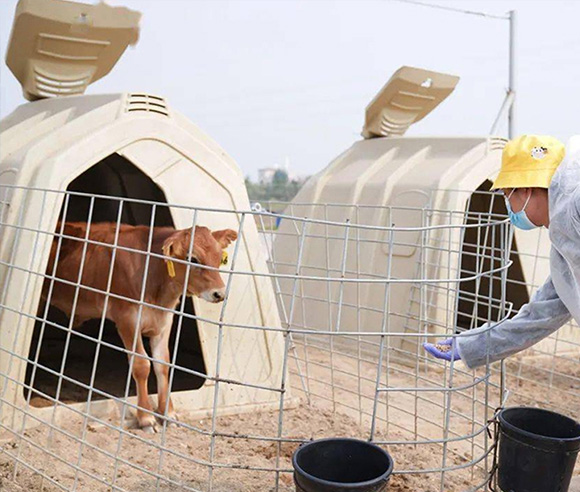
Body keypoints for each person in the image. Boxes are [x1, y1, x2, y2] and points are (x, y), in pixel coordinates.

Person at [424, 134, 576, 369]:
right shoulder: (563, 244)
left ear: (525, 190)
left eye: (507, 195)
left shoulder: (573, 210)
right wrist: (470, 345)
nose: (508, 207)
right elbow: (540, 315)